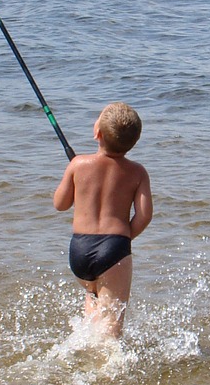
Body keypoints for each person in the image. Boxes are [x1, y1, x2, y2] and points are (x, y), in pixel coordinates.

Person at [53, 102, 153, 339]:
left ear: (97, 133)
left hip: (79, 250)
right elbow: (145, 215)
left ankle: (86, 348)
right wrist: (123, 238)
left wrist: (74, 176)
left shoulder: (78, 165)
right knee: (112, 325)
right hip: (113, 249)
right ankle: (109, 368)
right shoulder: (137, 172)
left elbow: (60, 204)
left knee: (94, 297)